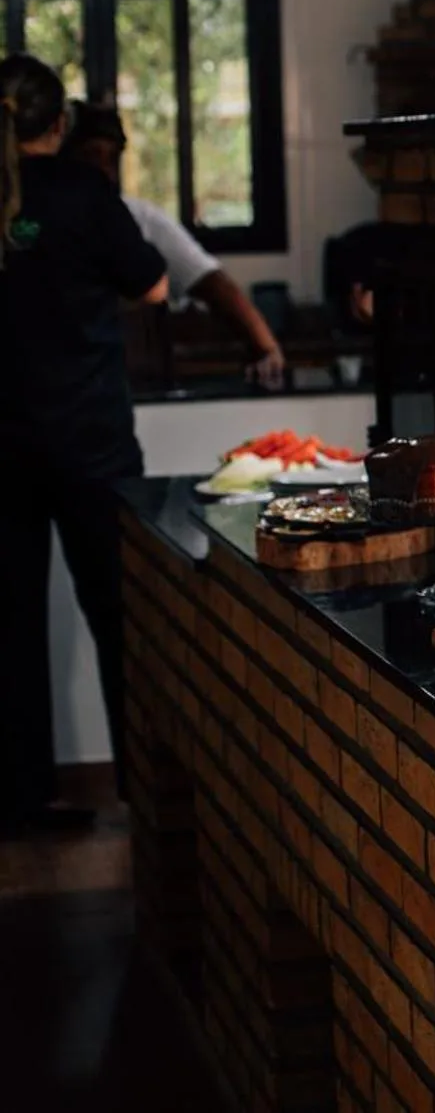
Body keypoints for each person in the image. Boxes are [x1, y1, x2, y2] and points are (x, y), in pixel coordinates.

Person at [0, 54, 168, 837]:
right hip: (90, 445)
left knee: (11, 628)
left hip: (5, 447)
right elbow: (156, 284)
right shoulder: (84, 192)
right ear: (58, 125)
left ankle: (22, 798)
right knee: (117, 618)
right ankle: (144, 790)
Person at [63, 101, 286, 390]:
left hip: (130, 387)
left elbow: (212, 283)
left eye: (112, 159)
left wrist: (265, 346)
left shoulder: (138, 218)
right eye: (91, 156)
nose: (104, 170)